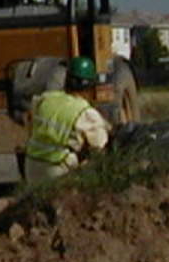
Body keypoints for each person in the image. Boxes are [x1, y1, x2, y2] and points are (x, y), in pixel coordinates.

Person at [22, 56, 111, 185]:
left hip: (31, 168)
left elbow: (29, 121)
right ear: (91, 87)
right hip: (58, 170)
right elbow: (100, 147)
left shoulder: (44, 99)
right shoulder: (85, 113)